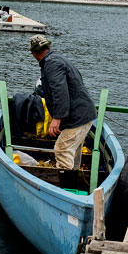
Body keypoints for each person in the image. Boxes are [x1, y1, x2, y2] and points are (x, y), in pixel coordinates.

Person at [28, 35, 96, 181]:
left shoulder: (51, 64)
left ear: (33, 53)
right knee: (74, 151)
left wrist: (57, 118)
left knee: (62, 148)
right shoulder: (58, 59)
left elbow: (60, 92)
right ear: (47, 47)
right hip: (84, 114)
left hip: (78, 116)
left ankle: (66, 190)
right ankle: (74, 184)